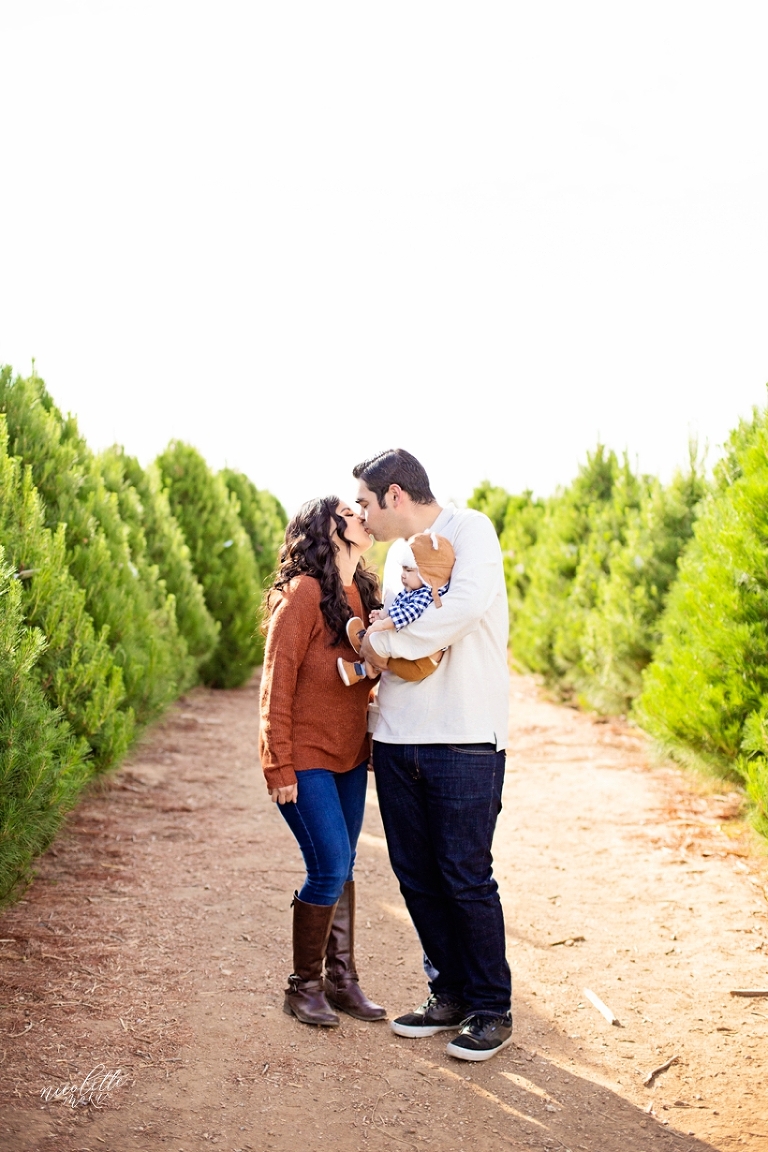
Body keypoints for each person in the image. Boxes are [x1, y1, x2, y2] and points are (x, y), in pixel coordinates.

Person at [353, 449, 512, 1062]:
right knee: (415, 873)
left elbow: (462, 609)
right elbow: (404, 627)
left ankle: (491, 1008)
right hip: (397, 737)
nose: (364, 518)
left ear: (395, 495)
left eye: (367, 504)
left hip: (465, 736)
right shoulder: (395, 557)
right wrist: (380, 644)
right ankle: (446, 994)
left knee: (465, 876)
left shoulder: (470, 531)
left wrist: (380, 642)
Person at [259, 496, 386, 1027]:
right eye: (350, 512)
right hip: (305, 757)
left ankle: (342, 981)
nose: (363, 516)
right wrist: (277, 763)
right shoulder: (303, 593)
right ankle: (302, 986)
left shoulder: (367, 594)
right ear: (328, 530)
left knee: (346, 866)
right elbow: (276, 681)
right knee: (329, 865)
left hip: (351, 756)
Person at [337, 531, 456, 685]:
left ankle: (363, 646)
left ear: (427, 574)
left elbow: (408, 614)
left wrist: (382, 624)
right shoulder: (414, 592)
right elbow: (401, 611)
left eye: (409, 570)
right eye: (403, 570)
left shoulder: (426, 595)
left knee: (381, 641)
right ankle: (363, 670)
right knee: (384, 644)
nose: (403, 575)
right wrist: (384, 615)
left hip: (419, 663)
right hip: (416, 657)